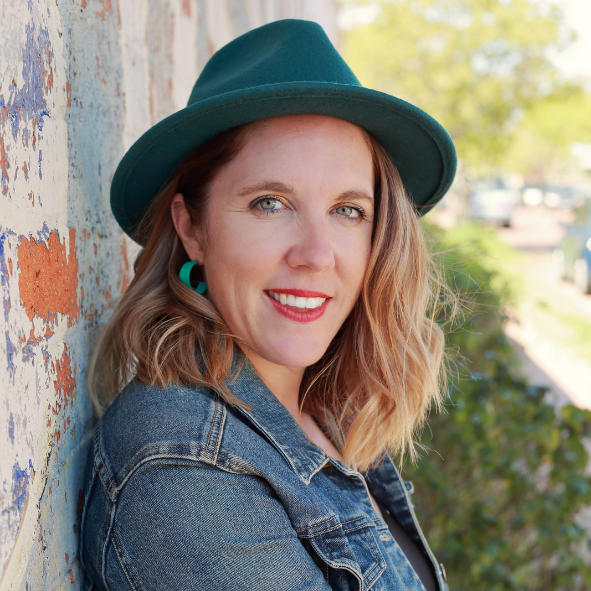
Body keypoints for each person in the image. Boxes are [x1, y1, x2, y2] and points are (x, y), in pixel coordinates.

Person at [80, 19, 456, 591]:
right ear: (192, 229)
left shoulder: (326, 410)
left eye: (348, 210)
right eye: (270, 203)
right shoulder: (187, 468)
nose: (316, 254)